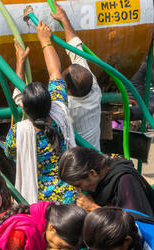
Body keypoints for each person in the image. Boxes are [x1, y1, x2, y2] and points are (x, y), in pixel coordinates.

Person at [6, 20, 78, 204]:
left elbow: (9, 153)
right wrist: (45, 40)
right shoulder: (59, 110)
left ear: (24, 108)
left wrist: (20, 62)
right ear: (49, 100)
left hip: (38, 201)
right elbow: (55, 72)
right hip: (69, 194)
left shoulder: (18, 132)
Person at [49, 0, 102, 149]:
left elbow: (53, 74)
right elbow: (76, 51)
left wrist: (46, 43)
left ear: (67, 91)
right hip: (94, 157)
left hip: (77, 164)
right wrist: (65, 19)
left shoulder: (65, 108)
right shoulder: (93, 88)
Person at [58, 146, 154, 218]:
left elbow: (136, 225)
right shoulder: (100, 183)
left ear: (92, 173)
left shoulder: (125, 181)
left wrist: (94, 208)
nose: (78, 190)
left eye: (78, 185)